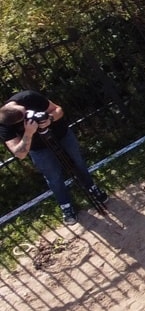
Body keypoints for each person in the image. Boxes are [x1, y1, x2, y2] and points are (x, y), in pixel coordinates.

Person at [1, 91, 108, 223]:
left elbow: (59, 110)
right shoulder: (4, 125)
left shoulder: (27, 97)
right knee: (53, 176)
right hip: (38, 149)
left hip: (62, 135)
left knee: (78, 161)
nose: (28, 114)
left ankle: (91, 187)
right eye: (24, 117)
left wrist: (49, 119)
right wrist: (28, 133)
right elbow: (20, 154)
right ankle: (66, 205)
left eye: (25, 111)